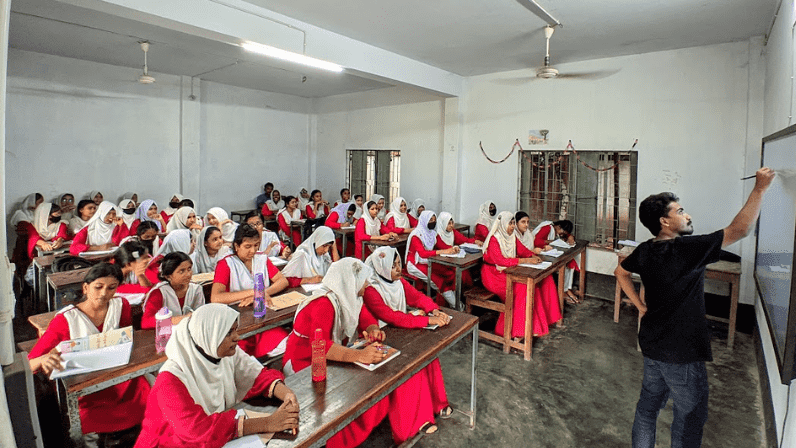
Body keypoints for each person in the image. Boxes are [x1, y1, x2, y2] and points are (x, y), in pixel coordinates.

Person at [615, 167, 774, 448]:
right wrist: (760, 188)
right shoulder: (686, 250)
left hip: (652, 344)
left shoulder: (645, 249)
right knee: (690, 417)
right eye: (680, 211)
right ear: (664, 221)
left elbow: (620, 272)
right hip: (682, 352)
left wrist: (641, 306)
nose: (687, 215)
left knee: (647, 408)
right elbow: (740, 229)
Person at [283, 258, 441, 446]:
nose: (366, 284)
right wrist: (359, 355)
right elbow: (320, 347)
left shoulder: (349, 296)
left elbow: (365, 316)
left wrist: (373, 328)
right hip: (304, 363)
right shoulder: (323, 303)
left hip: (330, 356)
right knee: (359, 386)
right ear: (350, 280)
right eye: (363, 280)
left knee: (379, 376)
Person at [134, 303, 299, 448]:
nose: (237, 337)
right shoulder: (169, 380)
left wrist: (287, 395)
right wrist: (268, 423)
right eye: (228, 333)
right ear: (208, 337)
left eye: (235, 330)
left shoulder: (222, 354)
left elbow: (256, 375)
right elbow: (197, 431)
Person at [28, 263, 150, 446]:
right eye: (98, 287)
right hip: (83, 386)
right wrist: (46, 358)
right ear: (86, 287)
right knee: (86, 418)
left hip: (117, 377)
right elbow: (30, 363)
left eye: (111, 288)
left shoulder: (121, 305)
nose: (104, 294)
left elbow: (124, 339)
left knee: (147, 392)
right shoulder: (66, 320)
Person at [362, 247, 452, 418]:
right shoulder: (371, 289)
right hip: (384, 337)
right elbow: (391, 317)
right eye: (393, 266)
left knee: (430, 356)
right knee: (412, 364)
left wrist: (433, 310)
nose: (398, 269)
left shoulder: (398, 281)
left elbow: (417, 297)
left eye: (398, 264)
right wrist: (427, 320)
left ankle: (438, 403)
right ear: (381, 267)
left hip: (403, 330)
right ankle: (420, 418)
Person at [211, 224, 290, 357]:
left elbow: (282, 281)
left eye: (256, 245)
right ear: (236, 246)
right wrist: (254, 292)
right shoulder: (226, 264)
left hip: (262, 319)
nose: (253, 251)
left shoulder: (262, 259)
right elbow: (216, 297)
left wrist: (264, 293)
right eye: (248, 246)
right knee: (240, 356)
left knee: (284, 343)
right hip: (238, 323)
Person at [481, 211, 562, 338]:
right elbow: (501, 261)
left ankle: (536, 325)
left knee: (539, 282)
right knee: (522, 288)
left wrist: (533, 256)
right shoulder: (494, 239)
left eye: (513, 223)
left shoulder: (511, 237)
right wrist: (526, 260)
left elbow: (522, 250)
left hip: (507, 272)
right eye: (510, 223)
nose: (513, 226)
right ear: (502, 224)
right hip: (493, 276)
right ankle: (511, 331)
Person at [405, 211, 458, 307]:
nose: (433, 222)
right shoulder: (416, 235)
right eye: (430, 220)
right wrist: (442, 252)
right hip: (415, 264)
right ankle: (457, 306)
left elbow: (442, 245)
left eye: (434, 220)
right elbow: (423, 253)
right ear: (424, 221)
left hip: (427, 261)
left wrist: (453, 248)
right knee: (439, 281)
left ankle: (449, 303)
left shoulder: (433, 233)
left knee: (449, 273)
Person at [141, 252, 204, 330]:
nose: (188, 274)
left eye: (189, 269)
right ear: (168, 276)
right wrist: (182, 319)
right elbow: (146, 322)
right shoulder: (159, 293)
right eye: (182, 271)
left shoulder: (196, 289)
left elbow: (201, 315)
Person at [532, 218, 580, 303]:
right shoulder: (548, 228)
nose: (561, 234)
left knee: (570, 262)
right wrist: (552, 242)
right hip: (538, 252)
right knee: (563, 264)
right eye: (562, 232)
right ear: (559, 226)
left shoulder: (555, 229)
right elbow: (536, 241)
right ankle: (564, 291)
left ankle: (567, 289)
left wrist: (570, 237)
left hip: (547, 252)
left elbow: (567, 235)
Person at [434, 211, 480, 289]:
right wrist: (453, 248)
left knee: (465, 271)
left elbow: (464, 239)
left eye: (452, 223)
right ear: (443, 223)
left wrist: (475, 241)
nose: (451, 226)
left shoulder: (452, 232)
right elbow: (442, 246)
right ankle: (458, 294)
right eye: (449, 223)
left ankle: (464, 293)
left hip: (451, 259)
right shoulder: (437, 235)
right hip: (440, 262)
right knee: (461, 272)